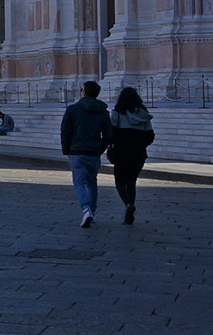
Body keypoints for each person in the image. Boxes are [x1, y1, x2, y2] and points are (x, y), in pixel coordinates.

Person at [60, 80, 114, 228]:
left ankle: (86, 209)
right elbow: (109, 135)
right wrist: (100, 148)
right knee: (92, 182)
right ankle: (92, 212)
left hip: (77, 151)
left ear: (83, 92)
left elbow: (65, 131)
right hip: (94, 152)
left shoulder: (72, 109)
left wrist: (67, 150)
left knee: (78, 182)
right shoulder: (103, 112)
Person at [109, 87, 155, 225]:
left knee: (119, 183)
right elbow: (150, 136)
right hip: (139, 153)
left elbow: (112, 134)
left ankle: (128, 205)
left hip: (121, 152)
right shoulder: (143, 114)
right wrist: (140, 145)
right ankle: (130, 209)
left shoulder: (117, 113)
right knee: (131, 182)